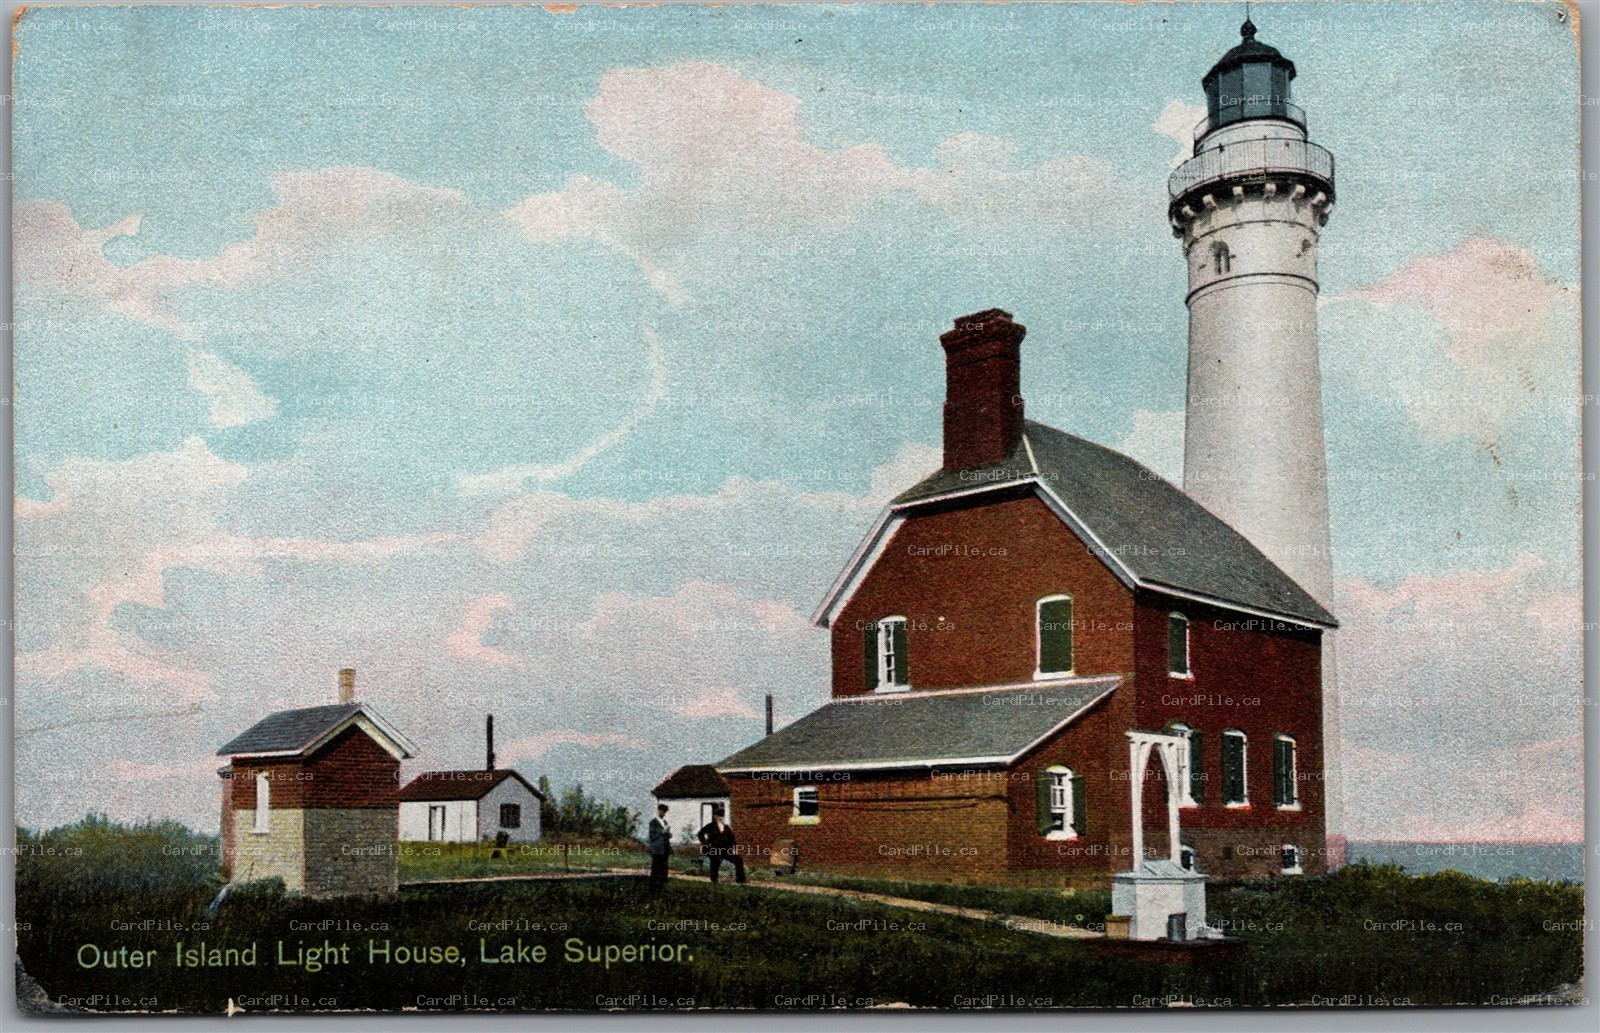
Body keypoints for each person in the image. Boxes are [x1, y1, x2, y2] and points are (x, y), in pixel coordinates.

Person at [696, 805, 746, 885]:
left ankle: (740, 880)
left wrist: (733, 848)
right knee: (715, 862)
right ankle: (714, 881)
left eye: (721, 816)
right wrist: (706, 844)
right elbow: (700, 834)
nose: (720, 817)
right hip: (714, 849)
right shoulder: (710, 826)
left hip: (725, 849)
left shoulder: (726, 827)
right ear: (715, 816)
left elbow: (732, 839)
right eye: (718, 816)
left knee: (738, 859)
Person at [647, 803, 673, 890]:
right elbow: (652, 836)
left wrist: (668, 833)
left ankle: (662, 884)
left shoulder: (665, 822)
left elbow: (668, 835)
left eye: (665, 812)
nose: (663, 813)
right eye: (662, 811)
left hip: (665, 848)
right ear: (658, 811)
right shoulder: (653, 822)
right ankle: (653, 885)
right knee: (656, 867)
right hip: (657, 848)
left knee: (664, 867)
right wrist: (661, 832)